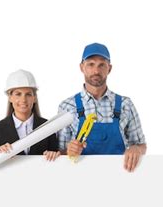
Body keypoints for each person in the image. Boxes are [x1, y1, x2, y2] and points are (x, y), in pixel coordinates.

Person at [58, 42, 146, 172]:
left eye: (102, 65)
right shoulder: (67, 107)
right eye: (91, 64)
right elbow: (59, 153)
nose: (96, 71)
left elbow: (141, 145)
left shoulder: (126, 104)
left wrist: (136, 149)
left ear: (109, 68)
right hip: (79, 177)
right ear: (82, 67)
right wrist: (68, 151)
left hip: (120, 176)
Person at [0, 69, 59, 160]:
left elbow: (57, 162)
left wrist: (54, 155)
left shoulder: (48, 127)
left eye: (28, 94)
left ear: (34, 98)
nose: (23, 100)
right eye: (18, 94)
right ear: (10, 98)